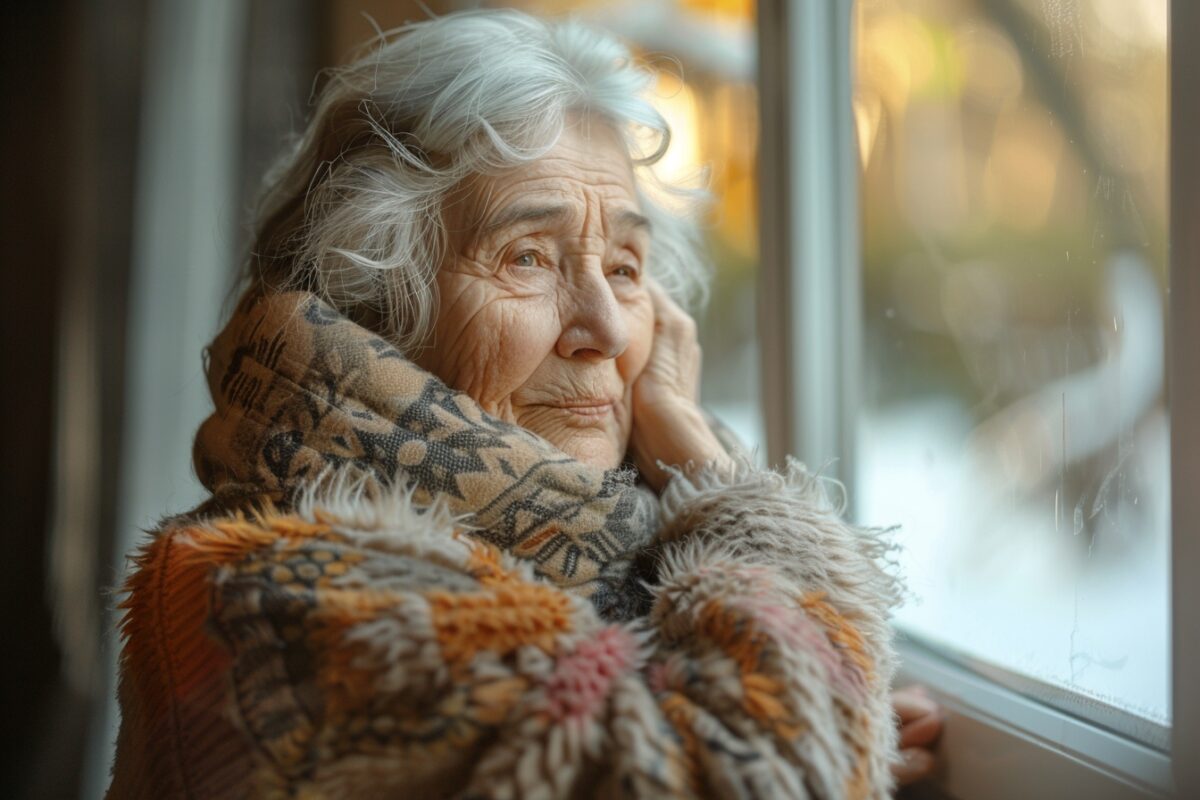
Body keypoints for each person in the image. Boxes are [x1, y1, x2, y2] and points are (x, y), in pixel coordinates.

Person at [107, 10, 939, 798]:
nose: (607, 330)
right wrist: (715, 478)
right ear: (372, 311)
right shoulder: (268, 585)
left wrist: (838, 727)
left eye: (624, 266)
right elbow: (745, 778)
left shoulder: (610, 558)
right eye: (528, 258)